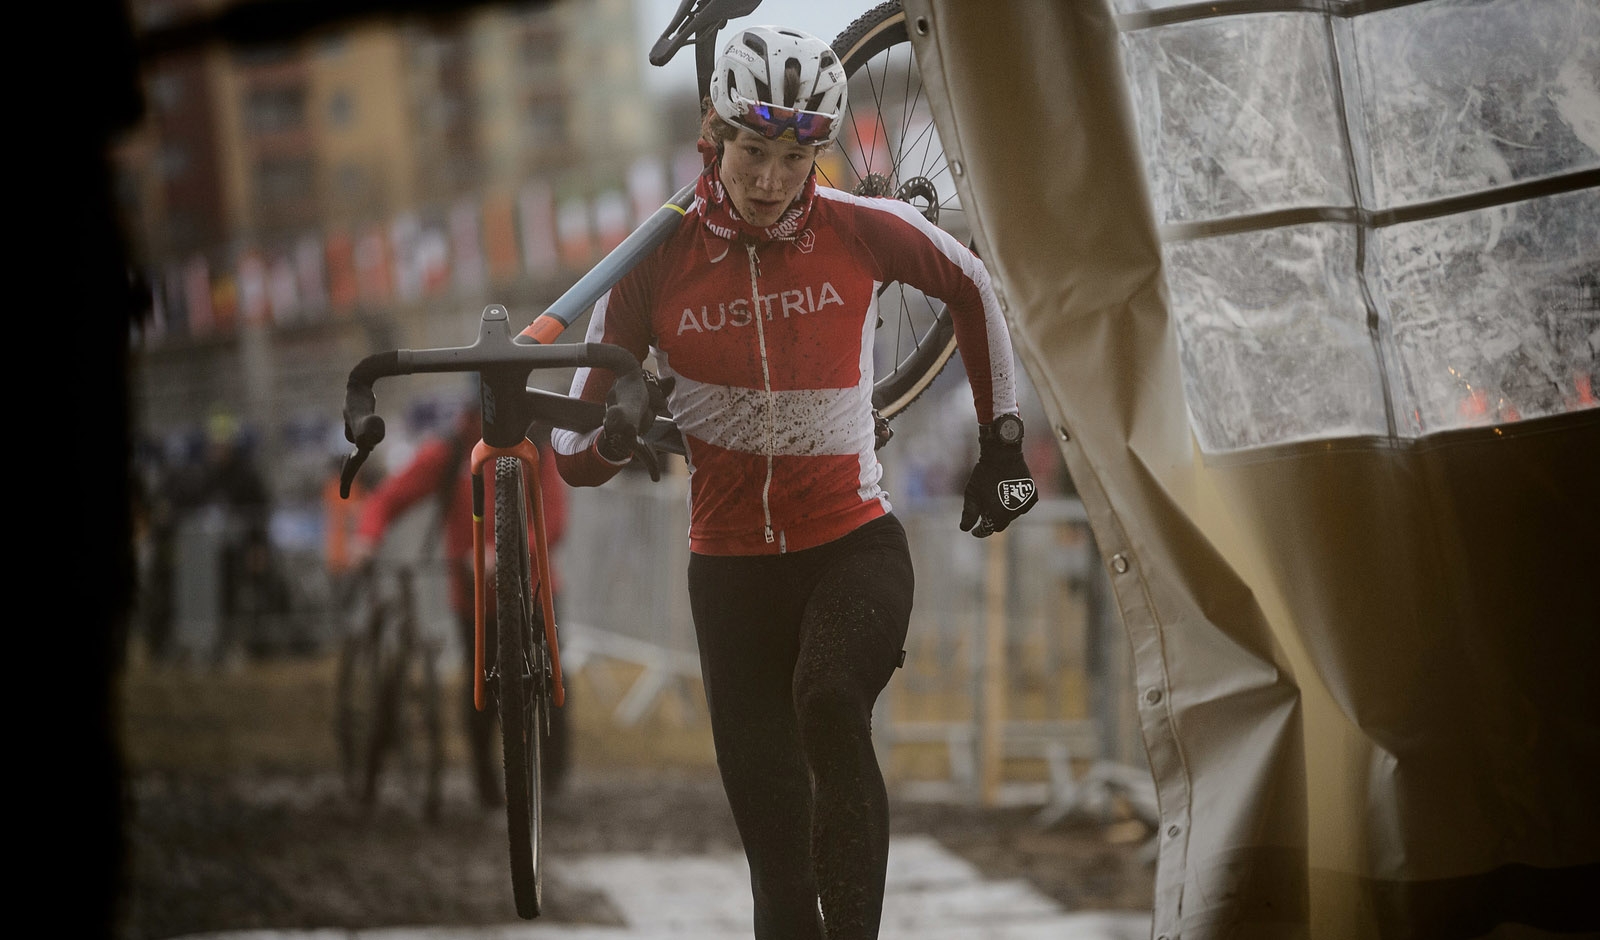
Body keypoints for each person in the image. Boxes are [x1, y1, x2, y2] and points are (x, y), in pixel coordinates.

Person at [552, 25, 1039, 940]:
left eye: (796, 156)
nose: (773, 180)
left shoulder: (861, 227)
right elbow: (574, 456)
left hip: (853, 547)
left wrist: (1002, 444)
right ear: (713, 136)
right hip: (729, 578)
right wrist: (618, 425)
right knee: (778, 875)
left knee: (827, 700)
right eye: (752, 152)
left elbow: (974, 285)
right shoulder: (656, 259)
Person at [350, 401, 571, 808]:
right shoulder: (451, 451)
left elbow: (552, 522)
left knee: (551, 682)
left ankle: (553, 786)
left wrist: (502, 553)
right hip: (475, 601)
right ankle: (485, 782)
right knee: (482, 689)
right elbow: (388, 498)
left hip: (537, 591)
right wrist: (368, 538)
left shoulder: (535, 447)